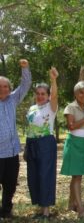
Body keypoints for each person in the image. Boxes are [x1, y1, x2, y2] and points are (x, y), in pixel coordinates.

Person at [0, 59, 31, 218]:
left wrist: (25, 68)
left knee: (10, 184)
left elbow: (25, 85)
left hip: (12, 152)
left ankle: (6, 211)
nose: (3, 89)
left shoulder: (12, 99)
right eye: (0, 86)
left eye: (6, 86)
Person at [25, 67, 58, 219]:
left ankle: (46, 211)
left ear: (48, 95)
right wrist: (26, 147)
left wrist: (53, 80)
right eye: (38, 94)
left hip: (46, 143)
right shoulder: (32, 108)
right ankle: (39, 207)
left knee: (45, 175)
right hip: (31, 143)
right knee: (34, 176)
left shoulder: (51, 107)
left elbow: (55, 95)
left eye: (43, 94)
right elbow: (30, 127)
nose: (40, 96)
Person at [60, 81, 84, 217]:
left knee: (77, 176)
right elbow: (71, 126)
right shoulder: (70, 107)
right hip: (74, 143)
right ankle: (80, 208)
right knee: (77, 176)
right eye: (81, 92)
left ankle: (71, 203)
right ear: (75, 93)